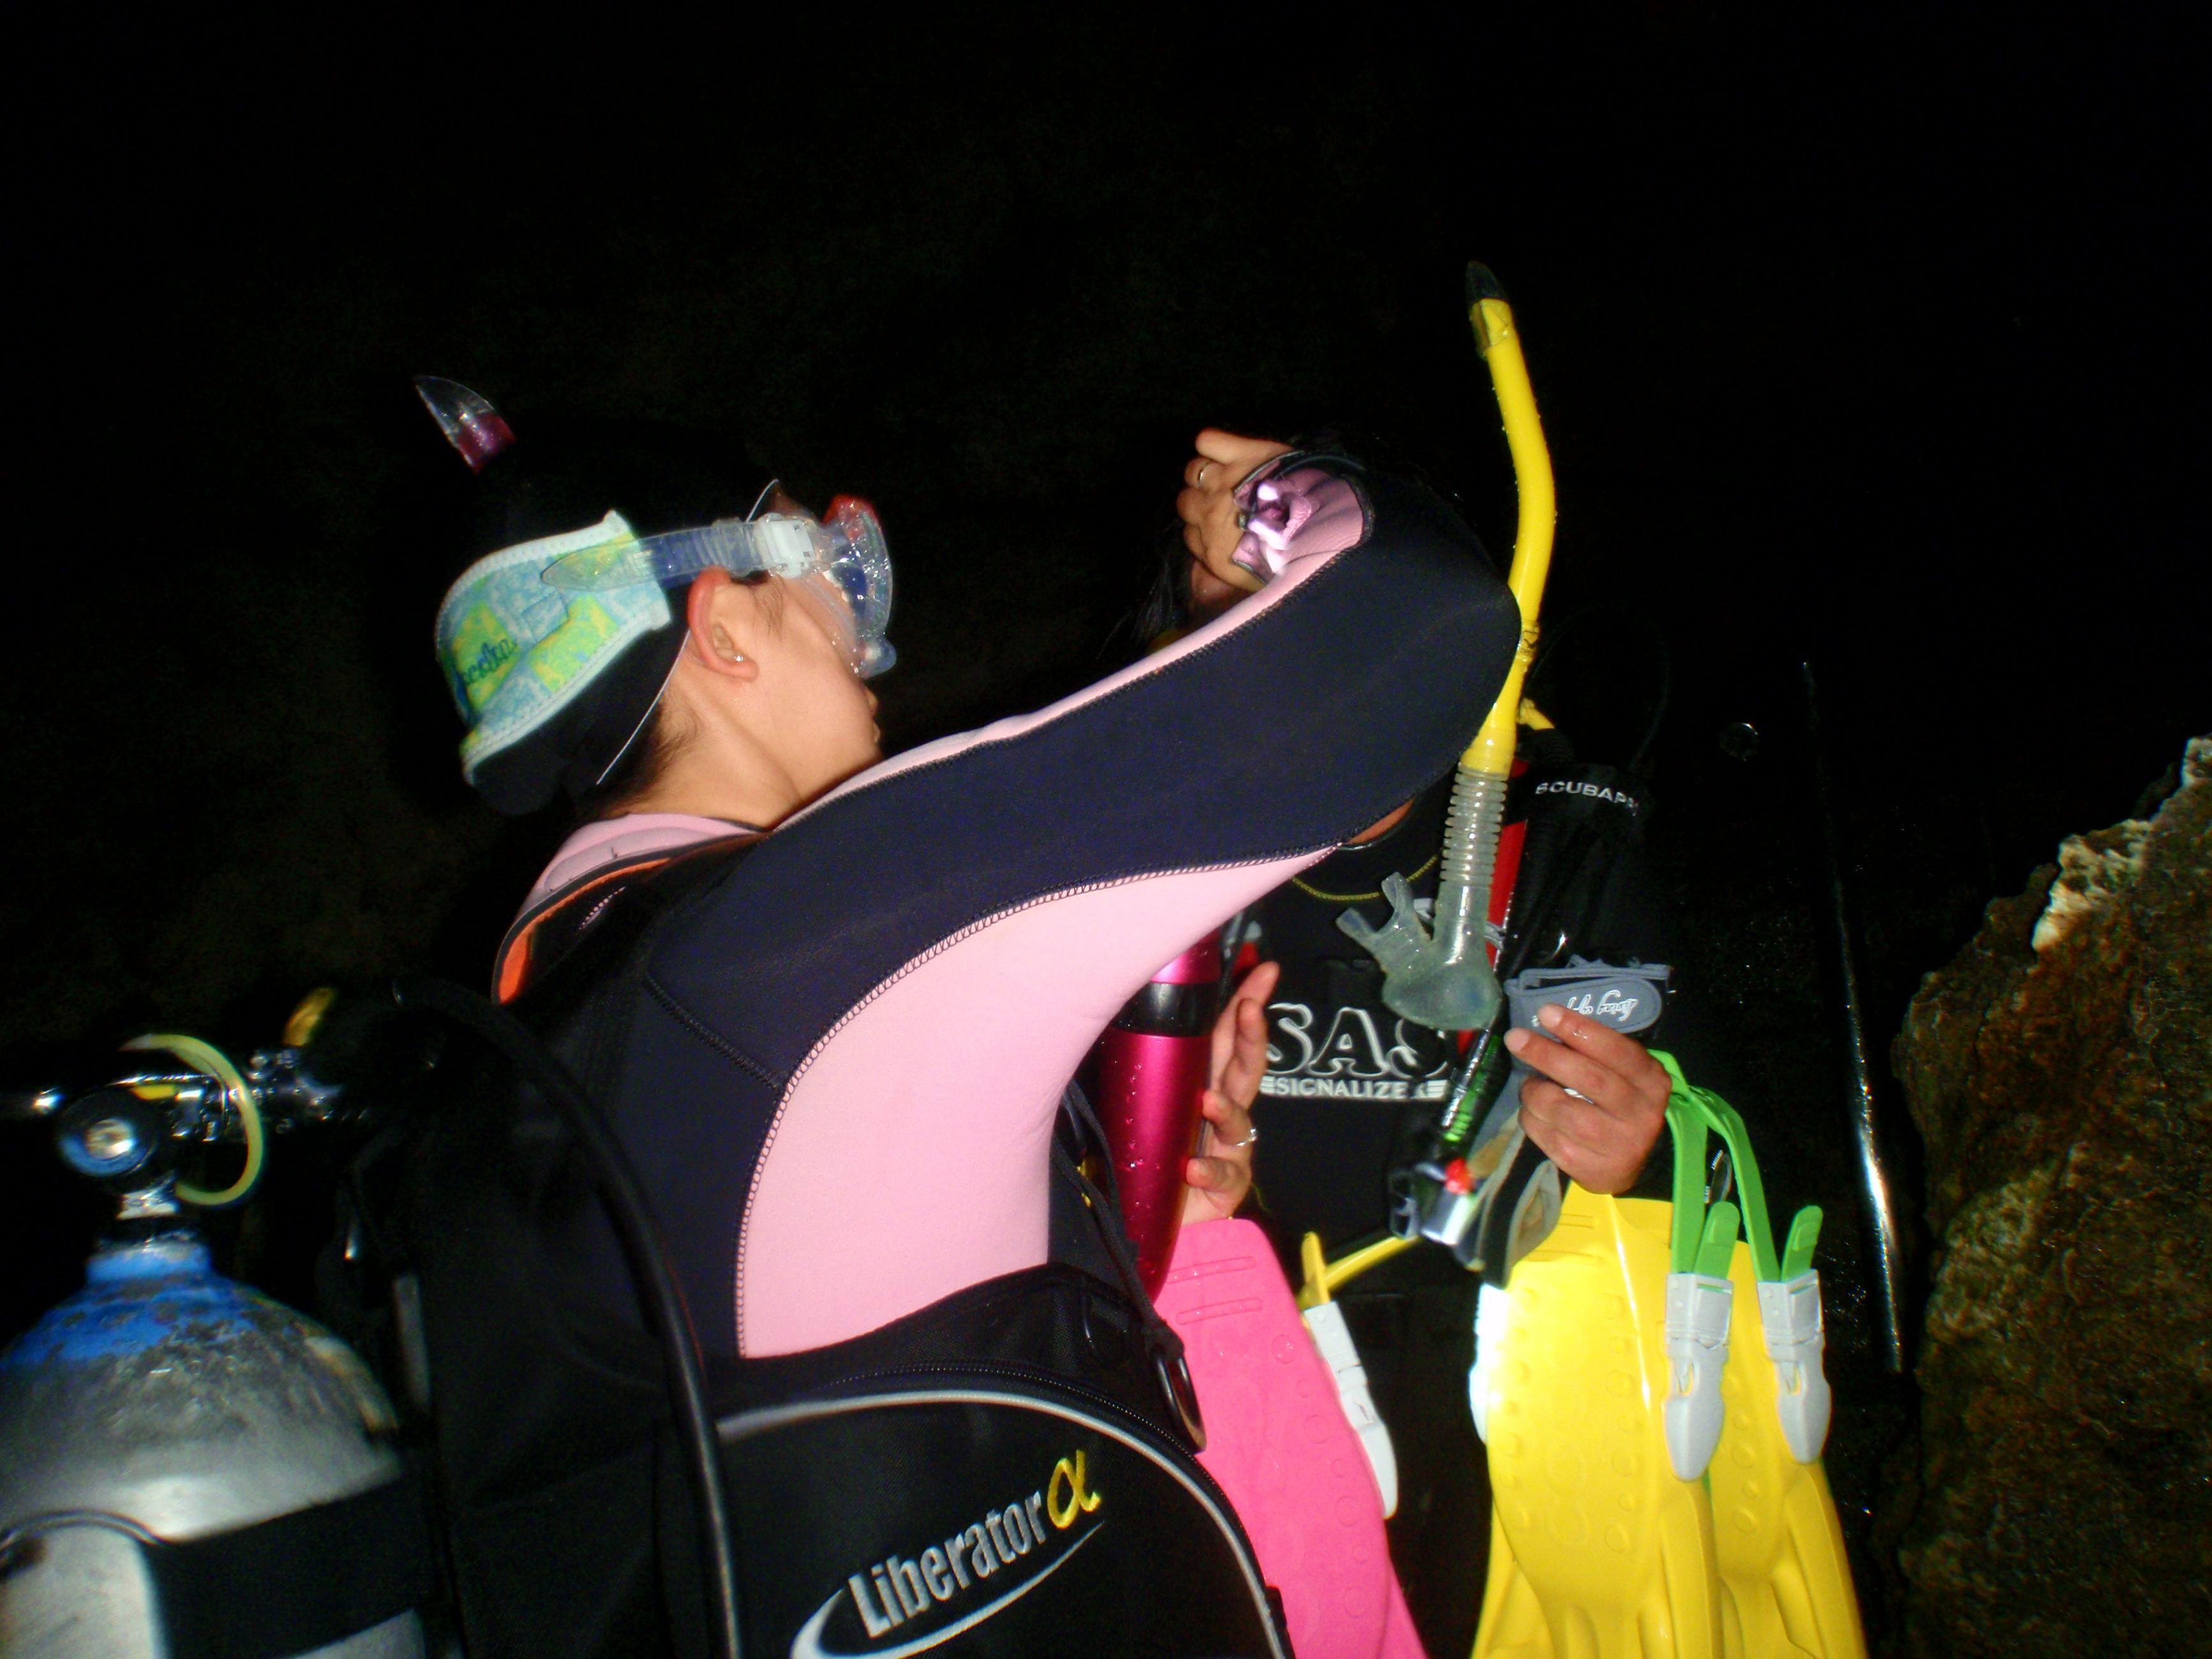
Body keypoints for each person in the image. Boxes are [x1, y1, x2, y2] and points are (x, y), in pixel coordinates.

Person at [417, 393, 1523, 1655]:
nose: (865, 641)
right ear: (723, 628)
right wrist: (1285, 504)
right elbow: (1417, 623)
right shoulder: (800, 936)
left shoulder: (527, 1011)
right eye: (824, 576)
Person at [1130, 499, 1676, 1658]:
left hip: (1497, 1404)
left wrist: (1642, 1150)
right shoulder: (1145, 859)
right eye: (1234, 622)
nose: (1284, 663)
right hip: (1237, 1386)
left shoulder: (1553, 845)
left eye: (1318, 609)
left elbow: (1718, 1160)